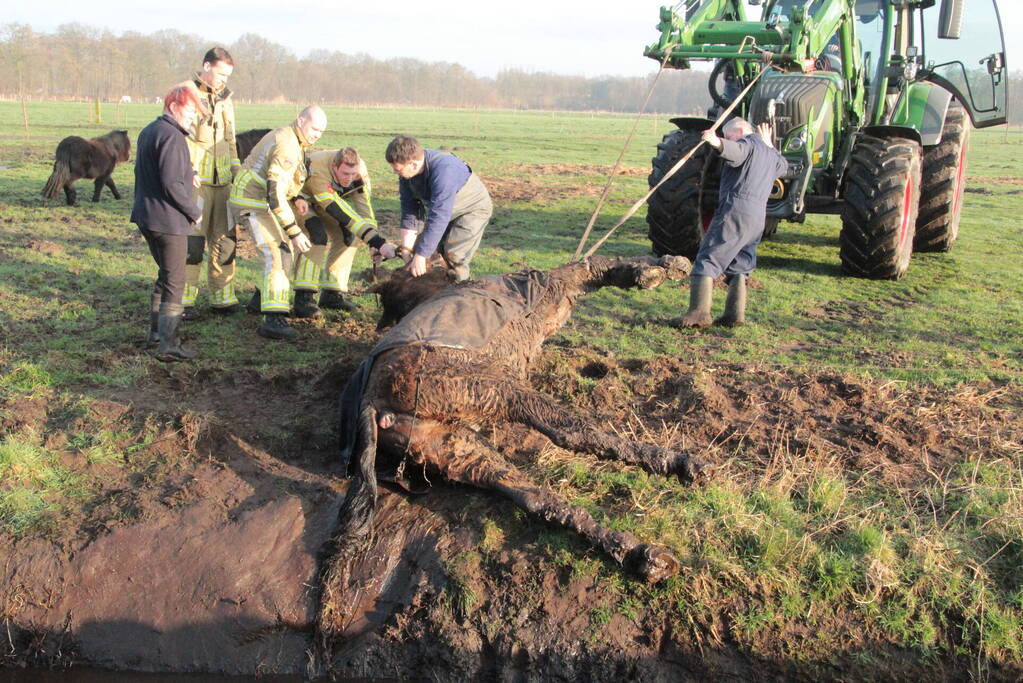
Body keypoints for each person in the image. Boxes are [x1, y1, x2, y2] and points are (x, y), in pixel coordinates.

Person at [671, 118, 787, 328]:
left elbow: (735, 151)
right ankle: (734, 316)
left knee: (708, 258)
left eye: (729, 135)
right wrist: (770, 145)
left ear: (740, 131)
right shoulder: (769, 153)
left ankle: (699, 314)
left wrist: (714, 141)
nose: (728, 139)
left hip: (735, 211)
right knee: (741, 264)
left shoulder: (746, 145)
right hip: (758, 218)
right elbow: (783, 167)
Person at [229, 106, 325, 340]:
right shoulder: (288, 145)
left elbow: (285, 182)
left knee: (282, 251)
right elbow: (275, 193)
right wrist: (294, 231)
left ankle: (258, 301)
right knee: (277, 251)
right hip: (252, 202)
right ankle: (273, 319)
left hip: (260, 200)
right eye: (314, 128)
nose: (317, 135)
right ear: (300, 120)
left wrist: (299, 196)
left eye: (321, 131)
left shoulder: (294, 139)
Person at [131, 82, 204, 361]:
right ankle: (169, 345)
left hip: (146, 215)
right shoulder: (173, 136)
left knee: (165, 273)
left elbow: (159, 168)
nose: (192, 118)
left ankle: (155, 334)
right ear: (173, 107)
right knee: (176, 279)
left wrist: (189, 171)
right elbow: (171, 183)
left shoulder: (150, 130)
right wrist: (193, 210)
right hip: (168, 221)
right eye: (189, 111)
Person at [290, 147, 391, 318]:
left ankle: (332, 293)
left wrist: (372, 242)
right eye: (345, 174)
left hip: (326, 200)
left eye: (353, 174)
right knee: (317, 234)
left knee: (349, 236)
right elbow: (338, 211)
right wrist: (379, 242)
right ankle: (303, 296)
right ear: (335, 166)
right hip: (300, 199)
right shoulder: (319, 169)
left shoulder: (360, 172)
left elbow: (364, 207)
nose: (350, 178)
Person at [182, 47, 243, 317]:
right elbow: (179, 138)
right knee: (192, 244)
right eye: (221, 74)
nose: (223, 81)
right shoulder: (185, 94)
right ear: (206, 66)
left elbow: (230, 140)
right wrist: (185, 172)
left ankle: (222, 297)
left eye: (228, 76)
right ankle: (182, 301)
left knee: (226, 240)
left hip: (224, 184)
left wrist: (236, 173)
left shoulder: (226, 99)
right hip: (197, 184)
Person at [385, 135, 491, 281]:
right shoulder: (407, 175)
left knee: (454, 255)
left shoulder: (444, 170)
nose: (395, 173)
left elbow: (439, 216)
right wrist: (407, 251)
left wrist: (421, 256)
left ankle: (457, 293)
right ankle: (432, 293)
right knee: (421, 248)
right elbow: (409, 211)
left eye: (398, 170)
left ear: (413, 164)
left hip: (472, 209)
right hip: (444, 207)